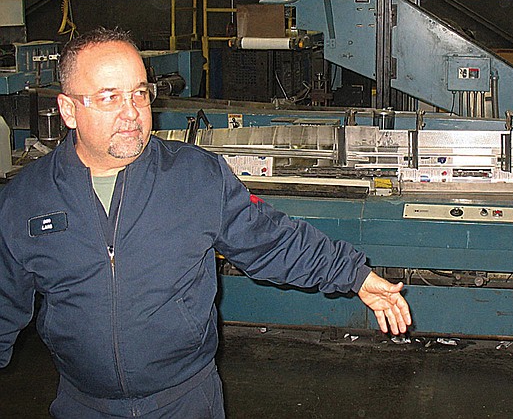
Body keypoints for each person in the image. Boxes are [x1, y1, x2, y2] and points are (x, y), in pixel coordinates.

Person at [0, 27, 412, 418]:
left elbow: (272, 242)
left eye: (139, 94)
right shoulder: (25, 200)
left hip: (185, 401)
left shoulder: (194, 177)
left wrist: (354, 276)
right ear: (69, 109)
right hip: (83, 404)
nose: (131, 113)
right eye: (109, 97)